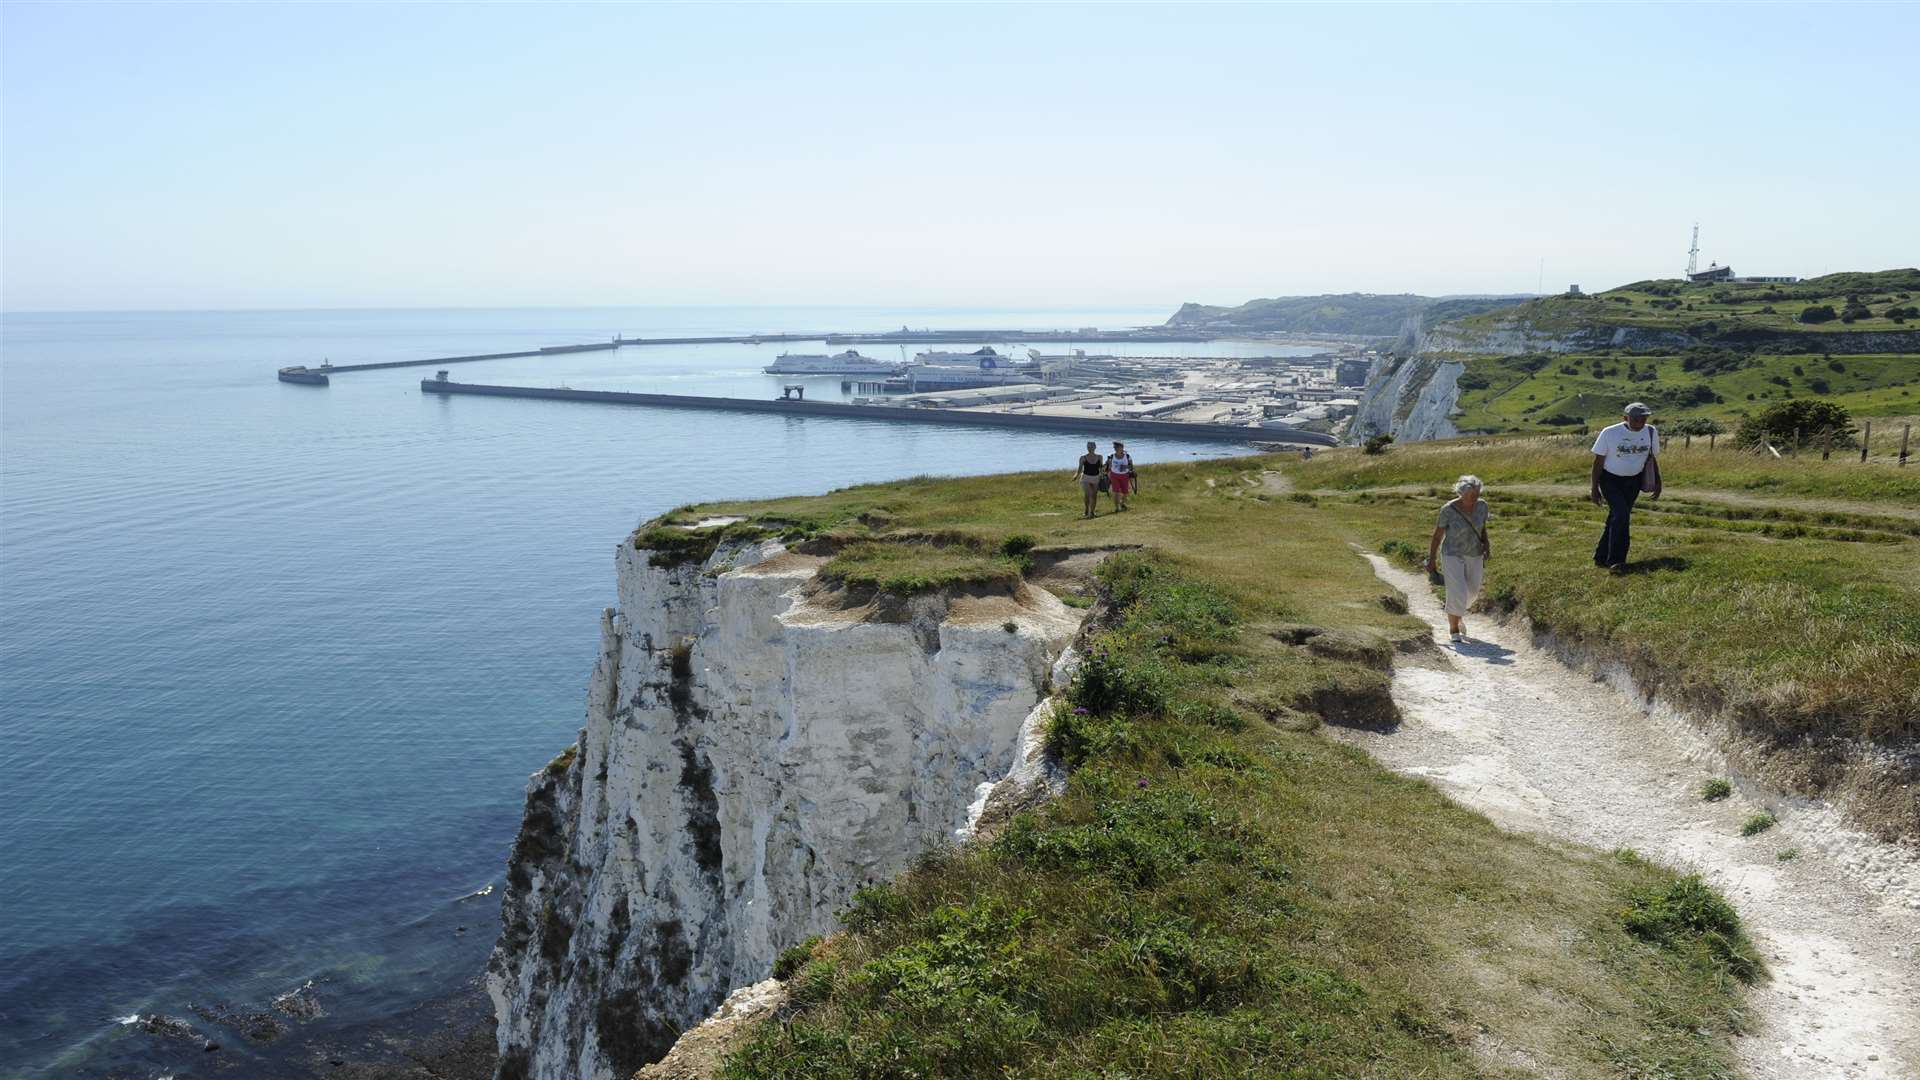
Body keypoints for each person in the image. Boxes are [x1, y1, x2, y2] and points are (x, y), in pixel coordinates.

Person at [1589, 402, 1661, 574]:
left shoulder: (1651, 432)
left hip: (1633, 482)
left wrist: (1658, 482)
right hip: (1610, 480)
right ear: (1625, 418)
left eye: (1644, 418)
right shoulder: (1609, 433)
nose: (1640, 421)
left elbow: (1652, 458)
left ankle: (1601, 556)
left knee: (1616, 517)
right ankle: (1617, 561)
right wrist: (1594, 488)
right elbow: (1598, 461)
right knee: (1622, 515)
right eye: (1635, 418)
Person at [1423, 475, 1490, 643]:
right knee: (1457, 591)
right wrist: (1432, 559)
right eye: (1469, 496)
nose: (1473, 499)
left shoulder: (1483, 506)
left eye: (1475, 495)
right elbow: (1437, 536)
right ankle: (1454, 629)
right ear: (1460, 493)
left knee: (1473, 591)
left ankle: (1457, 614)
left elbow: (1482, 528)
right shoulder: (1448, 509)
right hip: (1452, 554)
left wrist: (1487, 545)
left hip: (1474, 553)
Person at [1073, 441, 1105, 518]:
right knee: (1088, 494)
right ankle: (1086, 510)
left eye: (1091, 447)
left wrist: (1102, 475)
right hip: (1085, 478)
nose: (1090, 448)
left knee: (1094, 496)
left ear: (1095, 447)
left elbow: (1101, 468)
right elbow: (1079, 469)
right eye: (1088, 447)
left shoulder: (1100, 457)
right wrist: (1076, 476)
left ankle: (1092, 512)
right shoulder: (1083, 458)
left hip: (1095, 478)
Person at [1105, 441, 1137, 512]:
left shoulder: (1127, 456)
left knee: (1125, 492)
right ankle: (1117, 508)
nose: (1115, 448)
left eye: (1117, 447)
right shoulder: (1111, 456)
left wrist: (1124, 467)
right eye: (1114, 447)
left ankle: (1122, 503)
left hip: (1125, 476)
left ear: (1122, 447)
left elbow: (1131, 467)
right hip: (1114, 475)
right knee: (1116, 492)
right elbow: (1106, 466)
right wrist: (1107, 467)